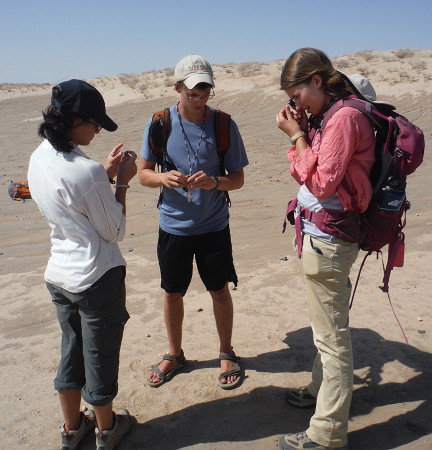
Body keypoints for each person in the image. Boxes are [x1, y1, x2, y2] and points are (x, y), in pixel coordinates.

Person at [27, 79, 137, 449]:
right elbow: (114, 231)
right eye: (94, 123)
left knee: (71, 353)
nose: (97, 131)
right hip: (96, 278)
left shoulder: (38, 157)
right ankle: (107, 430)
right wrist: (120, 183)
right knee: (99, 356)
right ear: (76, 122)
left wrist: (102, 176)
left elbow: (70, 201)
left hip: (59, 274)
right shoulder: (85, 171)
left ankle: (72, 427)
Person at [275, 48, 376, 449]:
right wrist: (303, 131)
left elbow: (319, 183)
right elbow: (307, 170)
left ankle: (328, 433)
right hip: (323, 237)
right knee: (326, 328)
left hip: (329, 242)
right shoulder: (329, 117)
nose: (295, 104)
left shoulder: (345, 118)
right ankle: (321, 392)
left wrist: (296, 135)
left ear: (316, 81)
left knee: (332, 339)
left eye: (296, 95)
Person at [139, 54, 248, 389]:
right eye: (192, 93)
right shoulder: (160, 123)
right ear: (177, 88)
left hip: (213, 226)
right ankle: (174, 354)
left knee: (219, 289)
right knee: (172, 293)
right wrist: (163, 178)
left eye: (205, 92)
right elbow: (143, 174)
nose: (200, 100)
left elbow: (238, 179)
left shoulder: (224, 125)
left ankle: (226, 352)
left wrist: (214, 182)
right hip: (173, 227)